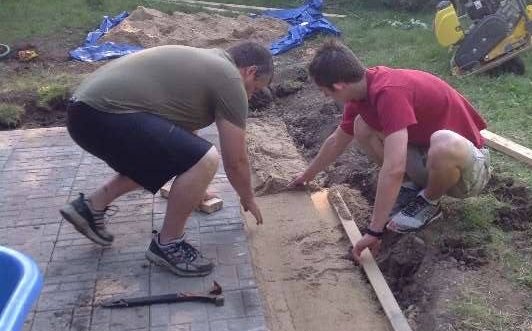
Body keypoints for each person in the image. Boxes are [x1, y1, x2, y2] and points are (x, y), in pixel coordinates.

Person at [60, 41, 272, 277]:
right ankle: (169, 244)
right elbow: (236, 160)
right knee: (208, 158)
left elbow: (181, 144)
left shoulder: (207, 63)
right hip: (103, 114)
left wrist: (197, 188)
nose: (250, 96)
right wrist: (247, 197)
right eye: (254, 89)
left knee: (177, 155)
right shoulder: (231, 79)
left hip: (83, 115)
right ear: (250, 71)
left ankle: (90, 208)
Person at [291, 39, 490, 262]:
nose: (325, 97)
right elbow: (337, 141)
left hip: (468, 171)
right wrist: (306, 176)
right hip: (428, 157)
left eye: (324, 91)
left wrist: (374, 232)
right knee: (361, 126)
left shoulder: (390, 92)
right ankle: (410, 187)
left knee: (443, 141)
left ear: (338, 86)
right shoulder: (361, 95)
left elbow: (393, 167)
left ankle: (429, 202)